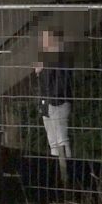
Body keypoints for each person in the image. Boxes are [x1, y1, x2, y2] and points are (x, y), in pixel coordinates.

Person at [34, 27, 73, 183]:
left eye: (46, 39)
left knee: (61, 138)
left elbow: (61, 83)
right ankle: (58, 171)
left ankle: (66, 172)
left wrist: (42, 71)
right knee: (52, 139)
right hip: (47, 103)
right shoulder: (47, 59)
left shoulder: (62, 58)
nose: (43, 42)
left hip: (58, 102)